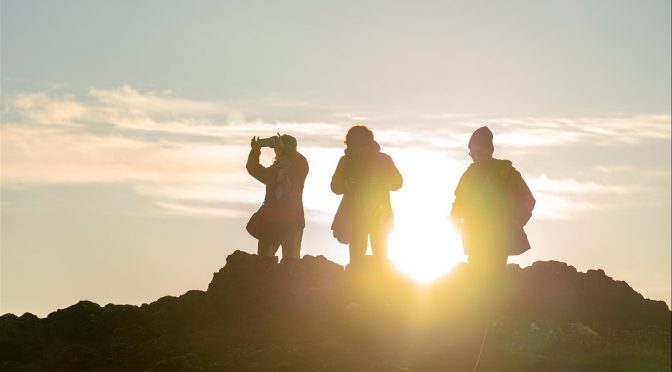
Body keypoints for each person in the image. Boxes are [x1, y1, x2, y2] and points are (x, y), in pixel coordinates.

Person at [450, 126, 535, 274]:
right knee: (479, 278)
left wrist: (514, 223)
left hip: (498, 237)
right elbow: (459, 203)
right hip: (474, 236)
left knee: (493, 278)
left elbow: (528, 200)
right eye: (472, 152)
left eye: (479, 152)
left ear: (489, 151)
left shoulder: (507, 173)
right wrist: (453, 222)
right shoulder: (468, 176)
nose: (475, 156)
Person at [330, 125, 403, 266]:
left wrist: (379, 181)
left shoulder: (384, 159)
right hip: (354, 216)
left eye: (360, 145)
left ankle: (380, 282)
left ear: (368, 143)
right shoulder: (345, 161)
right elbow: (334, 186)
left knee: (380, 258)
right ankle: (356, 283)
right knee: (357, 259)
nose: (358, 149)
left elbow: (398, 183)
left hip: (379, 215)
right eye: (354, 145)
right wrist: (346, 185)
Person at [246, 134, 308, 263]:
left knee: (291, 263)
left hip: (292, 222)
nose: (277, 150)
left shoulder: (299, 167)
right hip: (271, 221)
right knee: (263, 262)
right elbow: (253, 169)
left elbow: (300, 160)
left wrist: (284, 148)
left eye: (279, 147)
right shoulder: (274, 171)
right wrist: (255, 151)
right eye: (276, 147)